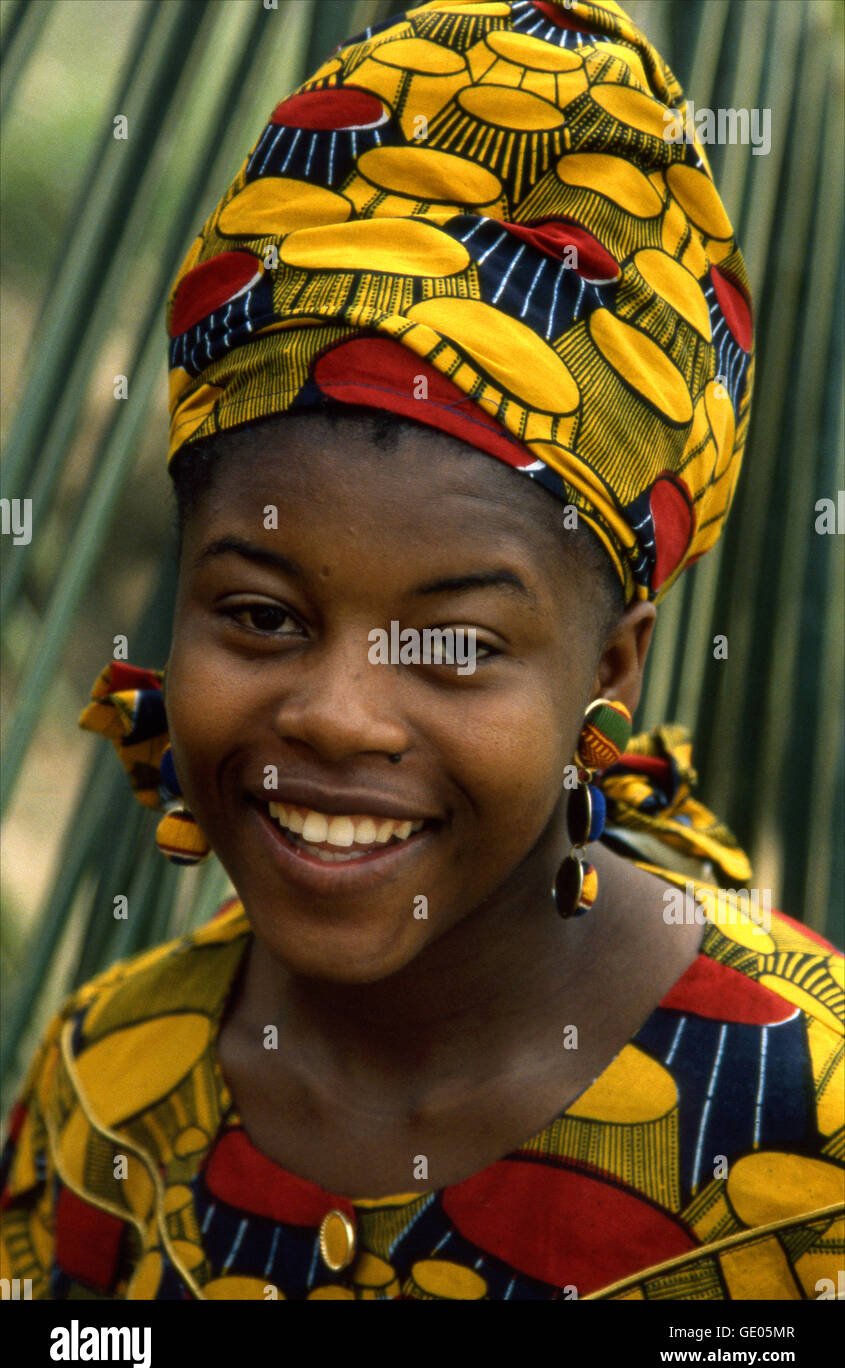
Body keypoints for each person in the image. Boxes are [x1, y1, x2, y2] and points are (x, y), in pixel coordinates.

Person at [1, 0, 842, 1302]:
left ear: (609, 669)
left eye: (450, 638)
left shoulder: (812, 1124)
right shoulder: (103, 1097)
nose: (336, 714)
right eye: (264, 616)